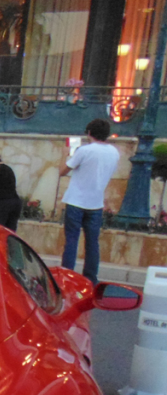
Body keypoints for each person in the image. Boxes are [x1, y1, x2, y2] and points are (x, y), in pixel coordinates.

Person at [60, 118, 120, 283]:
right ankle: (91, 278)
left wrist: (66, 154)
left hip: (76, 200)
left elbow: (62, 171)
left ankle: (67, 276)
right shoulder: (114, 152)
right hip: (96, 203)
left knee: (72, 240)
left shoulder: (84, 150)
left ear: (89, 133)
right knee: (92, 243)